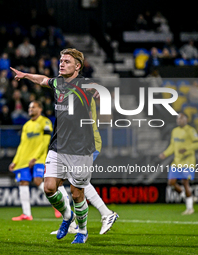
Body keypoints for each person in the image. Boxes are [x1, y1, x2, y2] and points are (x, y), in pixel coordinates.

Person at [10, 48, 103, 244]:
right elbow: (43, 79)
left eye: (66, 61)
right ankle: (67, 216)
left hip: (81, 148)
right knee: (49, 188)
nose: (61, 64)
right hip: (58, 145)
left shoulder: (84, 84)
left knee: (78, 193)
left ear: (77, 66)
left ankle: (83, 230)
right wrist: (26, 75)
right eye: (61, 60)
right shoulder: (58, 83)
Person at [50, 96, 118, 236]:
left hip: (86, 144)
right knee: (59, 179)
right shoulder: (74, 92)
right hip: (72, 145)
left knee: (77, 179)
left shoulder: (81, 93)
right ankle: (73, 223)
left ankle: (106, 213)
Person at [9, 101, 53, 221]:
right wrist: (15, 161)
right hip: (24, 159)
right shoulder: (26, 125)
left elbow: (45, 142)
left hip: (38, 158)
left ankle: (57, 203)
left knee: (38, 181)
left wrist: (35, 156)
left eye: (33, 107)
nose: (30, 109)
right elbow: (22, 145)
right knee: (23, 182)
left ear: (40, 109)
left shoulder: (46, 122)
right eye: (29, 107)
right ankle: (27, 214)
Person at [159, 113, 198, 215]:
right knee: (171, 182)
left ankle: (190, 208)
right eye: (178, 118)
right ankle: (189, 197)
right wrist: (165, 153)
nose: (179, 120)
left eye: (181, 118)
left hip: (188, 161)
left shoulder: (190, 130)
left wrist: (186, 149)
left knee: (185, 182)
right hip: (177, 162)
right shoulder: (175, 131)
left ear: (186, 119)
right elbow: (173, 146)